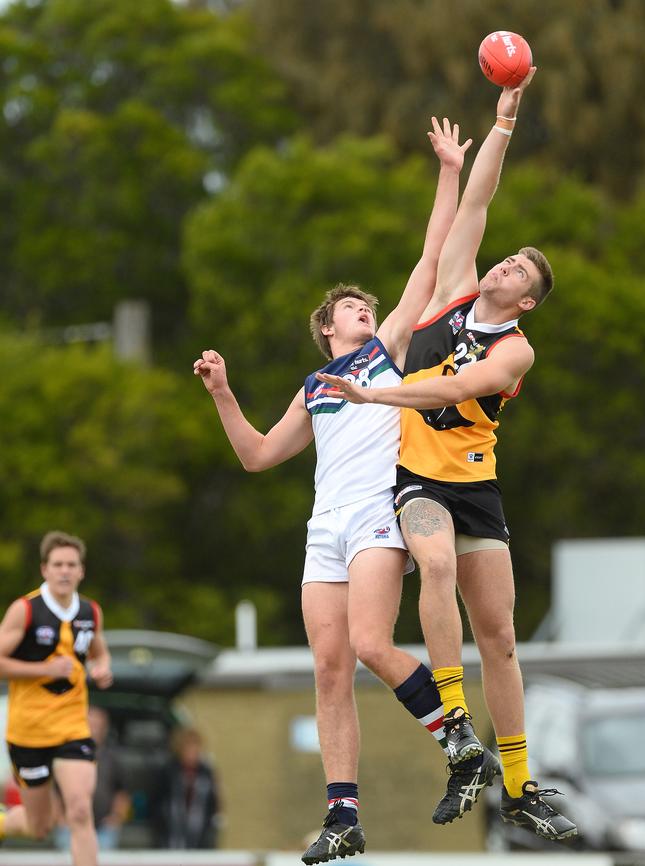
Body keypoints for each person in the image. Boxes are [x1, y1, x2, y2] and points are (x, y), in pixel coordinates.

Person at [194, 118, 500, 866]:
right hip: (323, 524)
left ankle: (458, 736)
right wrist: (224, 392)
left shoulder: (386, 351)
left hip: (375, 513)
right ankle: (343, 816)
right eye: (352, 309)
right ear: (326, 328)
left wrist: (449, 170)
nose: (366, 310)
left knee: (369, 644)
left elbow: (431, 258)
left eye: (369, 306)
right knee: (329, 669)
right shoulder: (319, 382)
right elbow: (260, 455)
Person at [317, 69, 578, 841]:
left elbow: (447, 390)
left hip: (476, 486)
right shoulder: (455, 287)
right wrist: (502, 122)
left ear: (526, 301)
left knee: (499, 634)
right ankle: (456, 727)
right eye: (508, 261)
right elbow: (477, 202)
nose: (504, 267)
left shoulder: (517, 351)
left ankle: (522, 784)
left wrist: (376, 397)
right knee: (431, 568)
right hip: (417, 481)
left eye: (520, 274)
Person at [0, 531, 113, 866]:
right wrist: (45, 670)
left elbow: (99, 653)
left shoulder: (91, 612)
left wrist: (103, 669)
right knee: (40, 826)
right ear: (44, 570)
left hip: (72, 727)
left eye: (71, 565)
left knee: (79, 810)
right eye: (58, 564)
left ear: (81, 571)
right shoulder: (25, 610)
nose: (65, 571)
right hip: (29, 731)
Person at [54, 705, 131, 851]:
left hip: (104, 830)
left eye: (98, 725)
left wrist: (115, 818)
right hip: (70, 828)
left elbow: (122, 793)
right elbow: (55, 792)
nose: (94, 729)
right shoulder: (66, 755)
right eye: (90, 724)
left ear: (106, 728)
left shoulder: (113, 759)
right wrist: (60, 819)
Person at [151, 726, 221, 850]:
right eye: (188, 748)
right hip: (170, 834)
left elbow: (213, 803)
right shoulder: (168, 772)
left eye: (195, 748)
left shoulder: (206, 773)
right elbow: (157, 802)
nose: (192, 752)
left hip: (198, 835)